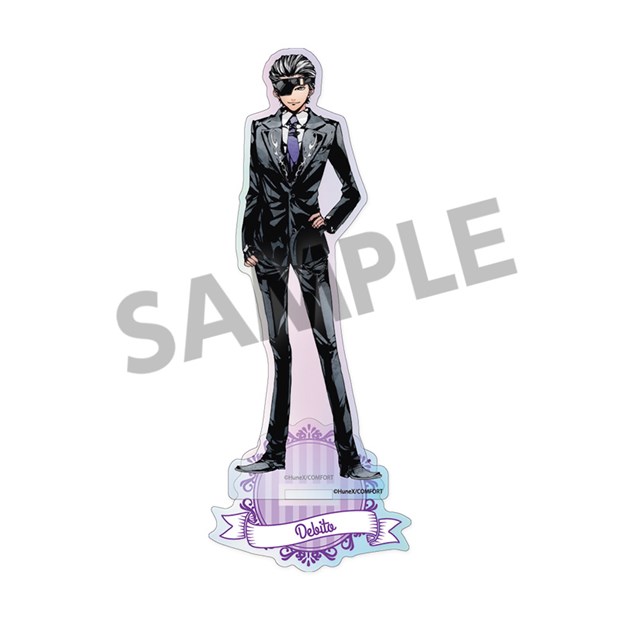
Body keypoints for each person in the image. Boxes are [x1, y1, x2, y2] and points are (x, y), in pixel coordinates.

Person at [235, 53, 380, 480]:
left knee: (327, 345)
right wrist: (246, 243)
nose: (290, 96)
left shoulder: (328, 129)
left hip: (311, 248)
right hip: (268, 250)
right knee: (280, 349)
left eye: (297, 87)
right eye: (281, 89)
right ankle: (274, 452)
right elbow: (253, 191)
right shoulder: (259, 129)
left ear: (310, 87)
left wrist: (329, 221)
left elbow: (353, 191)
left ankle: (350, 459)